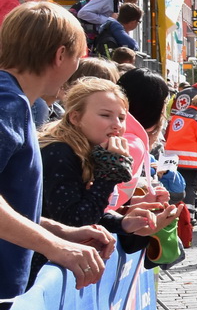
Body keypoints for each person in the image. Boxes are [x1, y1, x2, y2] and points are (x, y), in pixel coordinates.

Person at [0, 3, 109, 310]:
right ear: (60, 56)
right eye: (78, 58)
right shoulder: (8, 102)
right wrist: (56, 247)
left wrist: (59, 231)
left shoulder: (11, 99)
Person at [32, 76, 164, 285]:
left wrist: (122, 222)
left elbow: (80, 211)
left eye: (122, 118)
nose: (117, 125)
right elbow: (74, 221)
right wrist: (109, 173)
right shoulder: (60, 151)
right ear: (75, 117)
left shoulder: (86, 149)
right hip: (30, 270)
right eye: (105, 115)